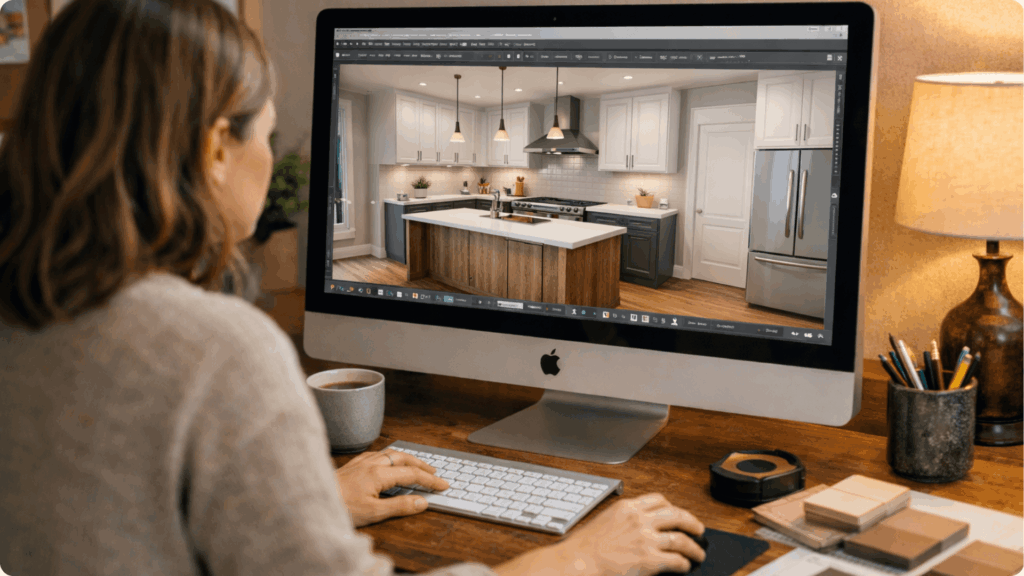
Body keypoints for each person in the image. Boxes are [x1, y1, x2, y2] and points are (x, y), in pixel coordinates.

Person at [0, 1, 708, 575]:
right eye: (267, 135)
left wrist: (296, 504)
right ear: (216, 147)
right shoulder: (215, 351)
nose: (270, 158)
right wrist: (577, 560)